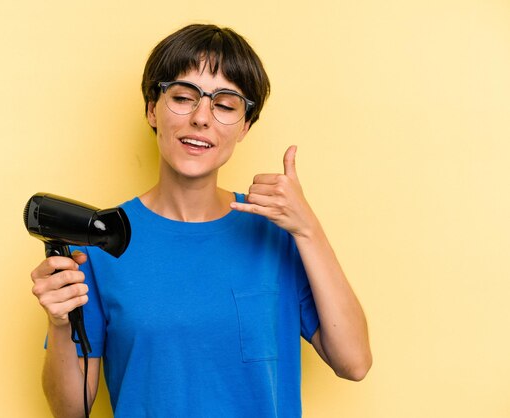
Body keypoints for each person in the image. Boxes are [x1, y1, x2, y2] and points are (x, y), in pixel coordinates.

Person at [30, 24, 372, 418]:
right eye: (182, 97)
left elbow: (354, 362)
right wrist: (59, 324)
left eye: (225, 105)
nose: (201, 118)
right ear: (151, 109)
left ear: (245, 126)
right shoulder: (100, 242)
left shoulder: (278, 233)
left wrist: (308, 228)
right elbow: (71, 412)